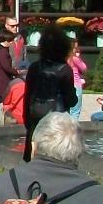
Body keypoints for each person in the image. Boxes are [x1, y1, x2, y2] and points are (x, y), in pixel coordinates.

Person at [23, 30, 79, 161]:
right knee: (56, 156)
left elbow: (27, 96)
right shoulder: (65, 70)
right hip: (56, 120)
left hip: (35, 116)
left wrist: (27, 119)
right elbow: (71, 100)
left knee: (32, 156)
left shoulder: (34, 67)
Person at [65, 38, 88, 119]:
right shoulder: (74, 59)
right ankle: (73, 127)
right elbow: (84, 68)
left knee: (66, 111)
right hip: (76, 85)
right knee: (75, 112)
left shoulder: (62, 58)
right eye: (75, 48)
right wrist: (78, 57)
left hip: (65, 85)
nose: (77, 49)